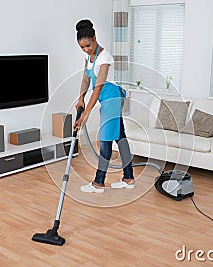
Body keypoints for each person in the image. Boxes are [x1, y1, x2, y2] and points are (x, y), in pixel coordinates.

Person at [73, 19, 134, 193]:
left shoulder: (105, 58)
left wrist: (85, 115)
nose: (86, 50)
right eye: (82, 48)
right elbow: (86, 78)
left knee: (105, 141)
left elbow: (98, 88)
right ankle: (128, 178)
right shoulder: (88, 56)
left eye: (88, 45)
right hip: (105, 100)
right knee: (120, 138)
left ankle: (99, 183)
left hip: (112, 99)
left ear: (95, 38)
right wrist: (81, 99)